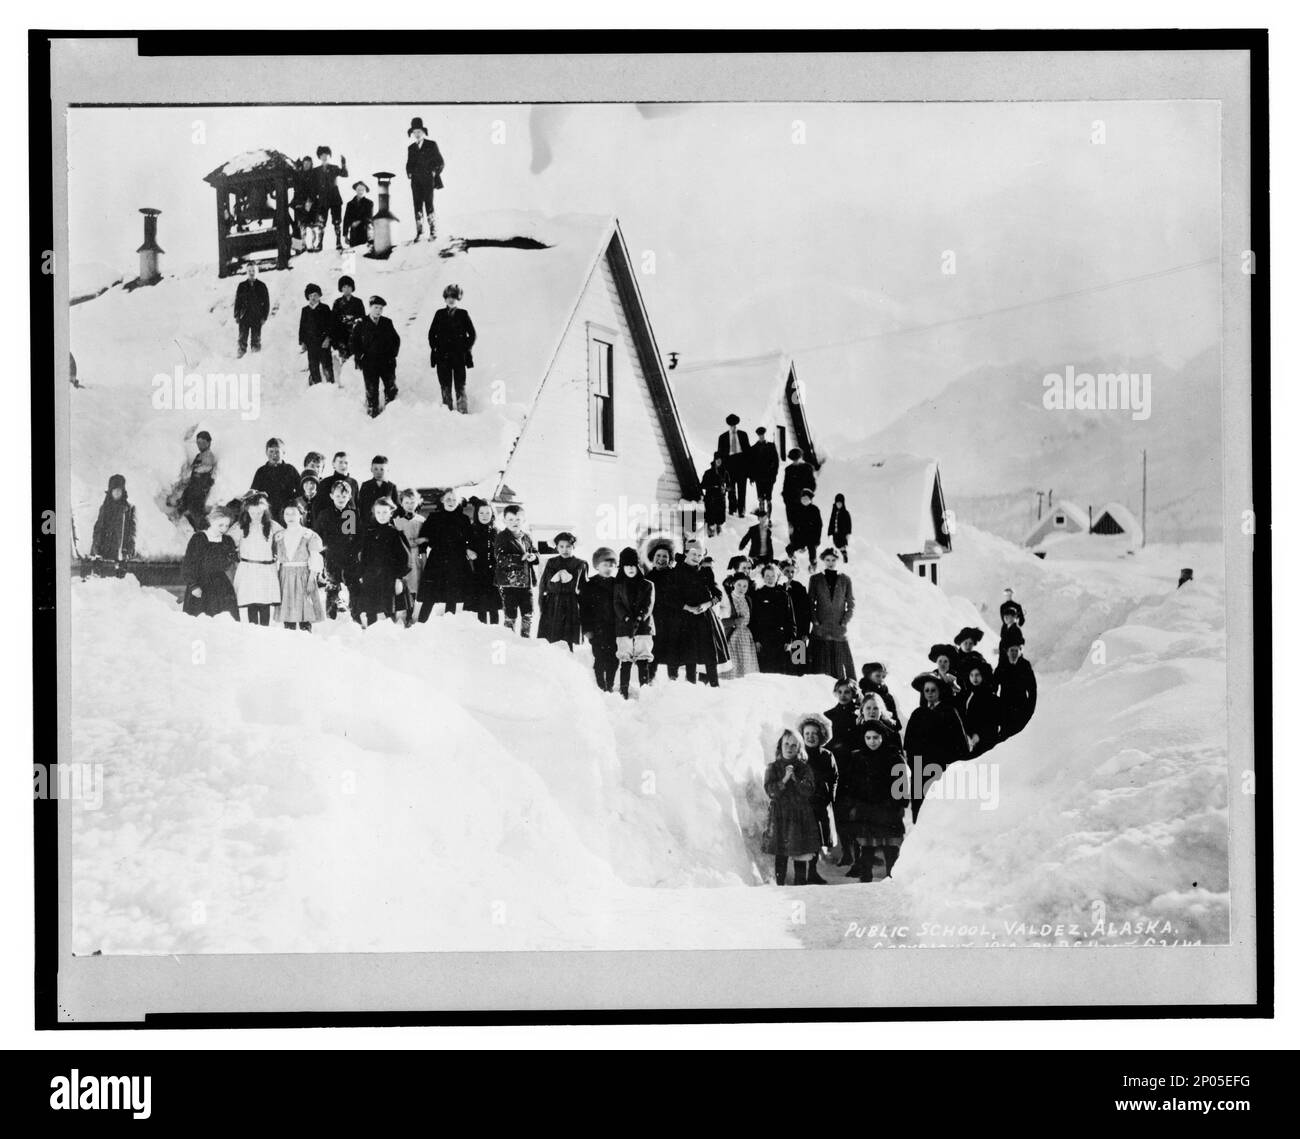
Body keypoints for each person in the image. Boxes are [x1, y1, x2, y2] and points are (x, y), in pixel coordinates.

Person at [904, 673, 970, 821]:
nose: (930, 694)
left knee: (940, 811)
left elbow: (960, 743)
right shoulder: (918, 714)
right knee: (920, 811)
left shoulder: (949, 712)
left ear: (939, 691)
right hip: (921, 770)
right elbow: (909, 744)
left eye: (933, 690)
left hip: (942, 769)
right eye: (926, 690)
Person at [761, 730, 822, 886]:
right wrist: (784, 779)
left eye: (794, 745)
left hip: (799, 816)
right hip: (780, 817)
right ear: (780, 746)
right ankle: (780, 886)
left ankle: (800, 885)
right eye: (786, 744)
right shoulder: (772, 768)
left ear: (799, 748)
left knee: (800, 852)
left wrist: (795, 779)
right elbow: (770, 791)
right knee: (781, 853)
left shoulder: (804, 768)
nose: (789, 748)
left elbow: (809, 790)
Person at [854, 721, 907, 880]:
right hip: (867, 809)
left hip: (888, 808)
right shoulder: (858, 757)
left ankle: (892, 877)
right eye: (868, 737)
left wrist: (898, 804)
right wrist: (857, 804)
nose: (872, 741)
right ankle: (865, 879)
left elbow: (901, 783)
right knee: (867, 847)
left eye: (876, 737)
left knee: (890, 846)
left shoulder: (893, 756)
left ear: (882, 737)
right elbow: (854, 783)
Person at [352, 497, 411, 627]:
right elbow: (364, 556)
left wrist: (399, 578)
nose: (381, 516)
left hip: (388, 578)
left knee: (388, 610)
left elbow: (405, 558)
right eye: (378, 512)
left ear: (391, 513)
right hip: (371, 577)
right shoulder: (369, 532)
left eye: (385, 512)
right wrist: (361, 574)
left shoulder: (395, 533)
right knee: (371, 610)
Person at [417, 488, 473, 620]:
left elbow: (469, 539)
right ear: (442, 500)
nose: (451, 502)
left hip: (457, 560)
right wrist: (423, 554)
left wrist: (468, 549)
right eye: (448, 499)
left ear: (458, 502)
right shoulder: (434, 517)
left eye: (454, 499)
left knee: (452, 596)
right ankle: (420, 623)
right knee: (429, 595)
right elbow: (424, 537)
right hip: (437, 559)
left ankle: (449, 625)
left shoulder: (464, 519)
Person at [672, 539, 722, 685]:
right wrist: (688, 608)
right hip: (686, 619)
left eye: (700, 555)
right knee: (690, 656)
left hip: (705, 619)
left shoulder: (706, 571)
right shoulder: (677, 572)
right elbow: (670, 598)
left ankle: (715, 687)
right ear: (686, 552)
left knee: (710, 656)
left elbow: (718, 594)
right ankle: (692, 689)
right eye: (694, 554)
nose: (697, 558)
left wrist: (707, 604)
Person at [230, 490, 282, 626]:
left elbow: (285, 539)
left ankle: (265, 631)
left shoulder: (272, 526)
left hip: (266, 569)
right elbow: (228, 542)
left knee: (264, 602)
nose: (256, 516)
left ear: (265, 511)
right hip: (248, 569)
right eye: (252, 513)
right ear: (247, 511)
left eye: (259, 513)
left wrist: (277, 551)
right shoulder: (240, 526)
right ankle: (253, 632)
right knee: (251, 602)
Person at [273, 498, 325, 631]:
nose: (290, 517)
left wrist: (311, 578)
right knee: (288, 616)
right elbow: (275, 559)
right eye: (287, 514)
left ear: (301, 515)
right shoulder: (279, 536)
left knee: (305, 613)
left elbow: (315, 558)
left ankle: (307, 642)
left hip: (303, 577)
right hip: (285, 577)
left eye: (294, 513)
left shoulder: (308, 534)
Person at [180, 504, 239, 618]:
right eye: (220, 525)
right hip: (200, 585)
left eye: (227, 525)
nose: (224, 529)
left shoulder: (227, 540)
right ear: (211, 520)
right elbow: (189, 563)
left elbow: (230, 560)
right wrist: (193, 586)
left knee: (226, 620)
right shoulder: (199, 538)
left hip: (221, 585)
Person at [799, 713, 837, 884]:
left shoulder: (826, 755)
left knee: (815, 840)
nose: (810, 737)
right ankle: (800, 876)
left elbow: (834, 777)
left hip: (820, 804)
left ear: (821, 735)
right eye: (807, 734)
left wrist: (830, 795)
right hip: (802, 805)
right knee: (801, 839)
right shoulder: (799, 756)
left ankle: (812, 872)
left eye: (814, 733)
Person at [427, 284, 477, 414]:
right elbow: (431, 334)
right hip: (443, 357)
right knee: (445, 385)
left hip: (459, 357)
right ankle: (447, 411)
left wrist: (465, 348)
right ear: (445, 298)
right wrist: (436, 349)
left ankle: (462, 411)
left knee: (460, 385)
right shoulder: (439, 314)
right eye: (449, 297)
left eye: (454, 297)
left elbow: (472, 334)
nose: (451, 299)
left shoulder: (463, 314)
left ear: (458, 298)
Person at [613, 547, 655, 698]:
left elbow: (648, 606)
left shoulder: (648, 585)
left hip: (643, 628)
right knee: (625, 660)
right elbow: (617, 604)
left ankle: (645, 690)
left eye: (633, 565)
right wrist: (626, 618)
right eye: (626, 565)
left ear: (638, 566)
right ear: (622, 567)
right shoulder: (618, 586)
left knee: (643, 659)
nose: (630, 568)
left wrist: (638, 619)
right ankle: (623, 691)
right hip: (624, 628)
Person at [314, 479, 359, 619]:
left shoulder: (352, 514)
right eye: (338, 496)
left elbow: (356, 536)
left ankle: (356, 615)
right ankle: (330, 615)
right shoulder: (324, 514)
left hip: (349, 556)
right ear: (331, 495)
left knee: (353, 585)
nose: (341, 499)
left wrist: (355, 551)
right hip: (331, 555)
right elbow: (317, 536)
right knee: (332, 586)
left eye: (344, 496)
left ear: (349, 497)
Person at [808, 547, 855, 680]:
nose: (830, 563)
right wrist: (815, 621)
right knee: (820, 664)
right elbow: (810, 602)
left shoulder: (845, 579)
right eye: (827, 560)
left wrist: (844, 621)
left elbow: (851, 603)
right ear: (823, 560)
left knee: (841, 665)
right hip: (821, 628)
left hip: (838, 629)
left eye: (833, 560)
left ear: (837, 560)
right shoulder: (815, 579)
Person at [351, 295, 401, 417]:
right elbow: (353, 343)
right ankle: (373, 412)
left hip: (386, 363)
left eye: (380, 308)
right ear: (370, 307)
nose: (378, 311)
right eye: (376, 307)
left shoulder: (387, 322)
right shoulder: (361, 323)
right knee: (371, 390)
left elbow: (396, 340)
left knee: (390, 387)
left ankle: (391, 412)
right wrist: (361, 356)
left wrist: (392, 355)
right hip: (369, 364)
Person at [493, 505, 539, 635]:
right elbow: (500, 558)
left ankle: (525, 637)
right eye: (511, 519)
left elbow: (536, 553)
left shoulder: (527, 537)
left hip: (526, 583)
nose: (515, 522)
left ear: (523, 521)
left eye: (518, 519)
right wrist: (520, 558)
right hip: (509, 584)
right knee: (510, 615)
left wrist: (533, 557)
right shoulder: (501, 537)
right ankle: (510, 639)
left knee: (528, 613)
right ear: (504, 521)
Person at [538, 531, 587, 648]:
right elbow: (546, 584)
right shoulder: (551, 562)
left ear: (573, 547)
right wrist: (542, 604)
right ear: (556, 547)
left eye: (568, 546)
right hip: (553, 603)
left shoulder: (580, 564)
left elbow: (579, 587)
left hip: (571, 604)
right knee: (553, 635)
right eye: (561, 546)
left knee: (568, 636)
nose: (565, 549)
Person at [580, 548, 619, 692]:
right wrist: (587, 629)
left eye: (612, 565)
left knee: (614, 658)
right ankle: (600, 685)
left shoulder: (617, 584)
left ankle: (610, 684)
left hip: (614, 628)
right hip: (596, 629)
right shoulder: (589, 584)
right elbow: (584, 609)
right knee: (600, 657)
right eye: (605, 565)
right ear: (597, 566)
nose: (608, 568)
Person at [644, 538, 680, 682]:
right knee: (653, 650)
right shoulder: (648, 577)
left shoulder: (675, 575)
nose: (661, 559)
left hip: (672, 619)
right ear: (653, 558)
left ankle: (673, 680)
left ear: (670, 559)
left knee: (673, 650)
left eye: (665, 556)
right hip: (654, 619)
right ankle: (650, 680)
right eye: (658, 556)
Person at [749, 561, 796, 674]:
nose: (770, 578)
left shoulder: (784, 595)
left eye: (773, 576)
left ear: (778, 577)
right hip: (763, 641)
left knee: (781, 674)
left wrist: (789, 640)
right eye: (767, 576)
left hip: (781, 640)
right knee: (765, 673)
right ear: (763, 577)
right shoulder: (758, 594)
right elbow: (754, 620)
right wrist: (756, 640)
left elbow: (791, 619)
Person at [86, 473, 137, 576]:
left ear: (123, 491)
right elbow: (98, 529)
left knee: (119, 579)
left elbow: (132, 531)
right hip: (104, 548)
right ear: (110, 491)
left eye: (120, 490)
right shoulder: (105, 508)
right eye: (115, 490)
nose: (117, 493)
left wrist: (129, 548)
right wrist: (96, 549)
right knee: (100, 578)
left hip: (120, 549)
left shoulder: (128, 509)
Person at [405, 116, 445, 241]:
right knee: (417, 205)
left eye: (419, 132)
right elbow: (409, 163)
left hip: (428, 179)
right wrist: (409, 172)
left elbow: (440, 162)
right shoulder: (411, 148)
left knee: (429, 203)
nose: (417, 134)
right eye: (415, 132)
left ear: (423, 132)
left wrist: (434, 172)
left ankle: (433, 232)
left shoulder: (431, 145)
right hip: (415, 181)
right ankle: (420, 232)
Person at [249, 438, 301, 526]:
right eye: (271, 451)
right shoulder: (261, 471)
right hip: (267, 511)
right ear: (266, 452)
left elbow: (301, 490)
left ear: (283, 453)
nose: (274, 455)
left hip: (286, 511)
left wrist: (291, 501)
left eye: (277, 452)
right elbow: (254, 491)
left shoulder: (290, 469)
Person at [393, 489, 425, 626]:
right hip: (402, 557)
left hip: (416, 556)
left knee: (416, 586)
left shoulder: (421, 520)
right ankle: (402, 615)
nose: (410, 505)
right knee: (402, 586)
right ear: (401, 503)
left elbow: (425, 539)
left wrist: (420, 541)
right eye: (407, 502)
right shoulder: (396, 521)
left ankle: (414, 616)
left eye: (413, 502)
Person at [467, 502, 502, 624]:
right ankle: (483, 633)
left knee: (493, 607)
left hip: (493, 574)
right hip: (477, 572)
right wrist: (468, 550)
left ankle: (495, 632)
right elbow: (462, 544)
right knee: (480, 607)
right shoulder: (471, 529)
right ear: (477, 514)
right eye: (481, 512)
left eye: (488, 512)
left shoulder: (497, 531)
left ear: (492, 514)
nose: (484, 515)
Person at [993, 643, 1037, 739]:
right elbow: (993, 687)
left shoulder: (1025, 666)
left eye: (1016, 651)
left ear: (1020, 652)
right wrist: (997, 705)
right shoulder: (1002, 666)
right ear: (1007, 652)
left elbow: (1032, 690)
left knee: (1020, 737)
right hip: (1005, 709)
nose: (1014, 653)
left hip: (1022, 709)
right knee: (1005, 738)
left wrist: (1030, 709)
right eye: (1011, 651)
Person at [177, 430, 217, 531]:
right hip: (192, 486)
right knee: (183, 504)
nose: (200, 445)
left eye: (203, 442)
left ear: (209, 443)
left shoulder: (209, 455)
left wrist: (195, 468)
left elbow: (207, 467)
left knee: (196, 510)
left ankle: (205, 531)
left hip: (200, 488)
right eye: (198, 442)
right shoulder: (199, 456)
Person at [723, 572, 760, 679]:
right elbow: (719, 620)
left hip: (746, 638)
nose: (741, 588)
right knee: (733, 670)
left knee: (747, 671)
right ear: (733, 584)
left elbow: (752, 621)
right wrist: (734, 621)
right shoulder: (727, 599)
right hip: (731, 637)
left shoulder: (748, 599)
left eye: (745, 586)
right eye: (739, 585)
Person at [311, 146, 348, 251]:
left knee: (337, 222)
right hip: (322, 200)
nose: (324, 157)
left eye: (326, 155)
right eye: (322, 155)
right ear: (319, 156)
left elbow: (345, 174)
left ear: (329, 156)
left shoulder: (334, 168)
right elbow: (313, 186)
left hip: (335, 198)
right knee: (321, 223)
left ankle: (338, 242)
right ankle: (320, 244)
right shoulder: (316, 171)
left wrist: (344, 164)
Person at [962, 659, 1001, 756]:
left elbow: (992, 722)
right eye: (971, 675)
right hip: (973, 741)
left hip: (987, 742)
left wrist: (979, 736)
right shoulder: (970, 695)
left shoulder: (989, 696)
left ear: (983, 675)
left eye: (977, 675)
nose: (974, 678)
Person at [299, 283, 335, 386]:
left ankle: (330, 386)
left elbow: (330, 325)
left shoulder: (325, 308)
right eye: (310, 296)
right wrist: (303, 342)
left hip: (324, 342)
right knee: (313, 365)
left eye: (315, 295)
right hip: (311, 343)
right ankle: (316, 386)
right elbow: (302, 327)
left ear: (319, 296)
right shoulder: (305, 310)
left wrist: (328, 338)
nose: (313, 298)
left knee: (327, 365)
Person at [781, 558, 812, 675]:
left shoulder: (799, 588)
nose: (790, 574)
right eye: (787, 571)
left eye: (792, 571)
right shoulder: (778, 587)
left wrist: (805, 632)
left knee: (799, 665)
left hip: (799, 632)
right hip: (784, 633)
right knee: (786, 665)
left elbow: (806, 612)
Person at [233, 261, 270, 357]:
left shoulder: (262, 286)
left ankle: (255, 356)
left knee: (256, 338)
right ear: (247, 272)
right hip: (244, 316)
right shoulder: (242, 286)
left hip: (257, 317)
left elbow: (266, 303)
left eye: (253, 270)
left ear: (257, 271)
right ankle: (241, 355)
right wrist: (237, 315)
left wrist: (264, 317)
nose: (251, 272)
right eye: (249, 270)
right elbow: (237, 301)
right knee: (242, 338)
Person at [716, 413, 750, 516]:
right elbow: (720, 454)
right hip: (729, 464)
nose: (733, 427)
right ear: (729, 425)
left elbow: (748, 452)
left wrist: (749, 468)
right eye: (731, 425)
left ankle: (741, 510)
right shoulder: (723, 437)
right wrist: (721, 470)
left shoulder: (743, 435)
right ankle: (732, 509)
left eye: (735, 425)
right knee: (730, 488)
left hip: (741, 464)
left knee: (742, 489)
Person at [331, 276, 365, 367]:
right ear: (341, 288)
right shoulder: (337, 302)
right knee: (345, 359)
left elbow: (362, 318)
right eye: (344, 287)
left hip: (355, 333)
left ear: (352, 288)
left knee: (356, 358)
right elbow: (334, 320)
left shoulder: (358, 302)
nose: (347, 289)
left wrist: (354, 320)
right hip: (342, 335)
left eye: (349, 287)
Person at [780, 446, 816, 530]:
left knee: (804, 522)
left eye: (797, 459)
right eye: (793, 459)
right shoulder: (788, 469)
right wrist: (785, 498)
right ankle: (793, 541)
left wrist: (808, 496)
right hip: (791, 501)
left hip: (804, 500)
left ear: (801, 457)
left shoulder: (807, 468)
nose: (795, 461)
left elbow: (812, 484)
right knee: (792, 523)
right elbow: (786, 485)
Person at [787, 488, 822, 569]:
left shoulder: (815, 510)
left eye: (806, 498)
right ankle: (792, 561)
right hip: (800, 536)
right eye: (803, 498)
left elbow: (819, 526)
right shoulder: (797, 509)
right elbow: (793, 526)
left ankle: (813, 564)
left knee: (812, 549)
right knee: (790, 548)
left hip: (811, 537)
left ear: (810, 499)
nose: (804, 500)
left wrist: (817, 540)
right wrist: (793, 539)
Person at [748, 425, 780, 516]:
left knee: (769, 499)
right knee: (760, 498)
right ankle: (762, 516)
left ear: (764, 435)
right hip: (759, 478)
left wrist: (774, 475)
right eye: (759, 435)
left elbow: (776, 462)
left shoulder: (771, 446)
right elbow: (751, 464)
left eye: (762, 435)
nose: (761, 436)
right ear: (758, 436)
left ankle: (769, 518)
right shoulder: (754, 448)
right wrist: (751, 477)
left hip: (769, 477)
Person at [357, 455, 399, 521]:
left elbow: (397, 508)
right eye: (376, 469)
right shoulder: (365, 485)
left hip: (386, 524)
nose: (378, 472)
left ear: (387, 470)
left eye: (382, 469)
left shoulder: (392, 487)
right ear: (371, 469)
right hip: (368, 526)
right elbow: (360, 506)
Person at [292, 156, 317, 251]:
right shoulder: (298, 175)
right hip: (298, 203)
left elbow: (315, 190)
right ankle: (297, 248)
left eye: (308, 163)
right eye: (304, 163)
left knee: (310, 225)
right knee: (297, 226)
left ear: (311, 164)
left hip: (310, 202)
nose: (306, 165)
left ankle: (311, 245)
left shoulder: (313, 175)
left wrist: (309, 203)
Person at [701, 454, 727, 536]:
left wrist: (725, 488)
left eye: (720, 460)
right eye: (717, 460)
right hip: (711, 497)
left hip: (720, 497)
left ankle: (719, 527)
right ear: (714, 460)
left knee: (720, 516)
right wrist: (712, 486)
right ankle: (710, 528)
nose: (719, 461)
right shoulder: (708, 473)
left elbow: (729, 485)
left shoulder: (724, 472)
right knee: (711, 515)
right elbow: (702, 485)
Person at [342, 181, 373, 249]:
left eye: (362, 190)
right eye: (358, 189)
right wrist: (345, 235)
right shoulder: (350, 204)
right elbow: (346, 219)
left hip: (365, 232)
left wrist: (359, 221)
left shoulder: (369, 203)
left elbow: (369, 217)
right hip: (354, 234)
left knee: (364, 252)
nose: (360, 191)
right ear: (356, 190)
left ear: (365, 191)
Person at [998, 598, 1026, 663]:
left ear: (1014, 617)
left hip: (1012, 657)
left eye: (1008, 616)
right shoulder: (1004, 628)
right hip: (1003, 656)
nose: (1005, 618)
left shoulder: (1016, 630)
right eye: (1005, 616)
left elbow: (1018, 643)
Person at [827, 493, 852, 562]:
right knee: (836, 544)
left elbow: (849, 524)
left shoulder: (846, 513)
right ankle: (841, 555)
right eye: (837, 503)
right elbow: (831, 522)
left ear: (843, 504)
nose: (839, 505)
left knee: (841, 544)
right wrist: (829, 532)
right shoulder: (834, 513)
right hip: (835, 533)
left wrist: (848, 533)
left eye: (840, 503)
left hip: (842, 533)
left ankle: (844, 556)